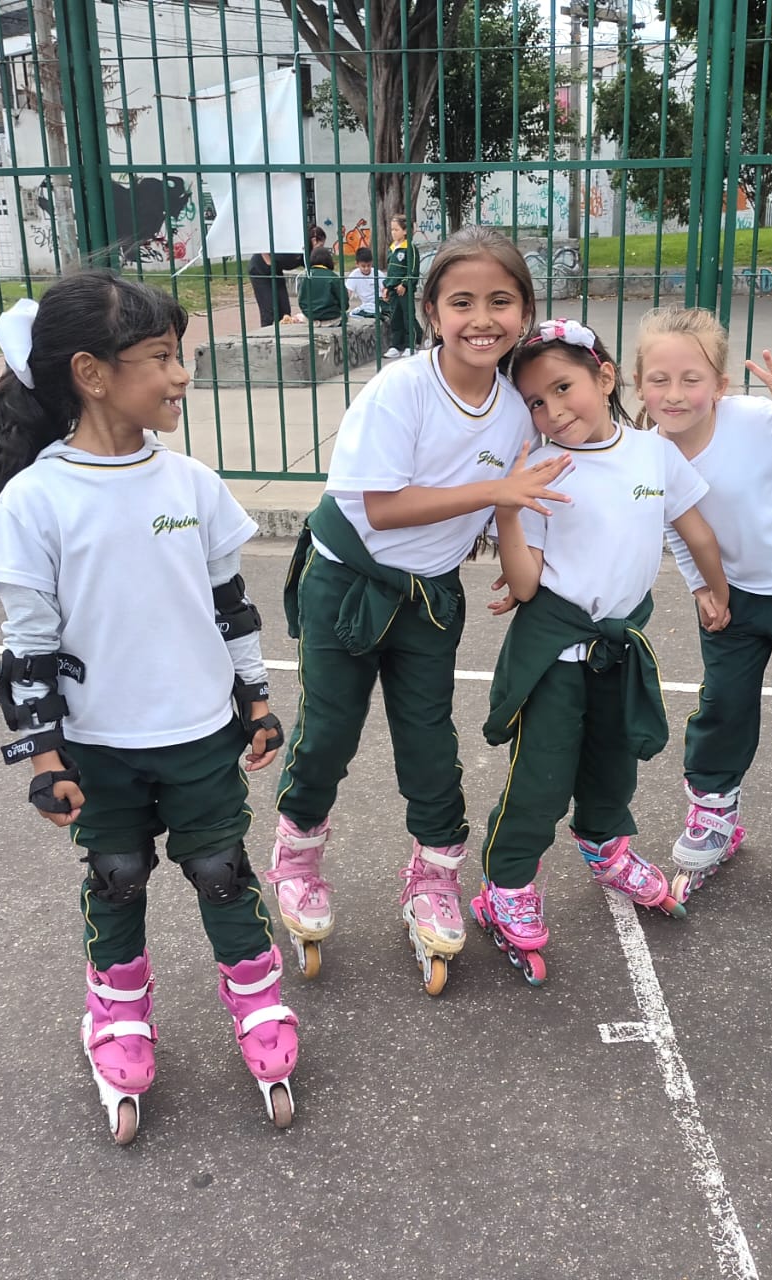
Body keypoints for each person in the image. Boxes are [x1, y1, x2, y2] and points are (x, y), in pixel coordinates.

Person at [0, 271, 298, 1143]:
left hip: (200, 734)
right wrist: (44, 758)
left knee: (222, 869)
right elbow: (27, 644)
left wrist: (257, 700)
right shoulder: (39, 499)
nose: (181, 374)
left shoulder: (189, 482)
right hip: (100, 744)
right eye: (160, 357)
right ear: (92, 373)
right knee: (117, 877)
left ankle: (257, 1002)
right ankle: (116, 1015)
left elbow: (230, 606)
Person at [270, 225, 570, 997]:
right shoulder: (400, 389)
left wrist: (508, 554)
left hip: (430, 596)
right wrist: (495, 493)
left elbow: (507, 503)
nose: (482, 319)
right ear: (431, 311)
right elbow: (383, 505)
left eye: (501, 301)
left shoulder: (515, 411)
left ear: (525, 311)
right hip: (347, 581)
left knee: (430, 743)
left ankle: (433, 875)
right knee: (328, 733)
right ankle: (297, 856)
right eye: (461, 301)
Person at [469, 319, 730, 985]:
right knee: (540, 778)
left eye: (564, 388)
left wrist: (713, 588)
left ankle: (604, 845)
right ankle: (506, 884)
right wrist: (507, 510)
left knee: (614, 762)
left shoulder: (653, 454)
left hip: (619, 650)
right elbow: (526, 583)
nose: (553, 410)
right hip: (556, 655)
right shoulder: (538, 470)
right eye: (535, 401)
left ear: (606, 377)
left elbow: (694, 530)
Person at [634, 305, 772, 917]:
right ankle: (713, 812)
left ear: (720, 385)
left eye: (691, 379)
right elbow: (677, 526)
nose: (675, 394)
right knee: (724, 704)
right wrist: (700, 588)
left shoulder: (756, 420)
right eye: (659, 380)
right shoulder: (650, 455)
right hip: (733, 595)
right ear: (637, 385)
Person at [248, 225, 327, 327]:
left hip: (276, 272)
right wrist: (269, 262)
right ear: (314, 241)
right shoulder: (294, 245)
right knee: (269, 310)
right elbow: (263, 243)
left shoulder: (306, 253)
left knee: (284, 310)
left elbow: (313, 270)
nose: (321, 249)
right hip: (260, 270)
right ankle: (267, 333)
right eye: (321, 245)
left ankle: (283, 332)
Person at [381, 213, 422, 357]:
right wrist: (386, 287)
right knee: (395, 317)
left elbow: (413, 270)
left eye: (396, 229)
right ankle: (396, 345)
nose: (393, 232)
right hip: (393, 290)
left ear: (405, 231)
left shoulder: (410, 248)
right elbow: (391, 271)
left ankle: (411, 344)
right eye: (392, 229)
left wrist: (405, 284)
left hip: (404, 290)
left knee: (408, 317)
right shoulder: (392, 248)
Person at [294, 246, 350, 325]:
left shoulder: (306, 276)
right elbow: (344, 303)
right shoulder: (333, 277)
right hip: (332, 317)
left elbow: (301, 301)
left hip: (310, 317)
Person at [346, 245, 384, 317]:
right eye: (363, 266)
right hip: (366, 305)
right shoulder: (354, 275)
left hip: (380, 302)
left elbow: (384, 290)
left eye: (368, 265)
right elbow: (348, 292)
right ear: (357, 264)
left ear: (372, 263)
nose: (366, 268)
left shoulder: (378, 273)